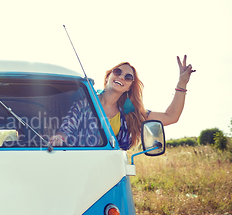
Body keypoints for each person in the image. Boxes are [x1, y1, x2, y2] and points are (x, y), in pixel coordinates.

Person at [50, 55, 195, 150]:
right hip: (82, 163)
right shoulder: (85, 103)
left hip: (112, 170)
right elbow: (66, 130)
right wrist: (58, 137)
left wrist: (182, 84)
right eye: (117, 72)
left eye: (128, 77)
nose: (122, 77)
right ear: (108, 76)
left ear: (129, 87)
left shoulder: (131, 113)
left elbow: (171, 116)